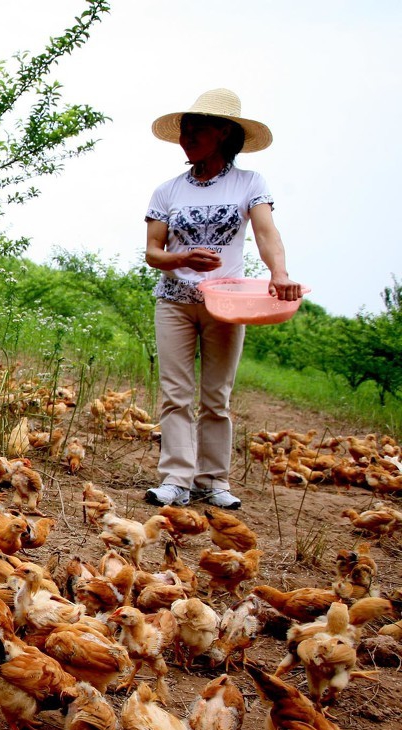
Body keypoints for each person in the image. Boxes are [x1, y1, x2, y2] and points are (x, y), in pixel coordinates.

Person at [143, 89, 301, 510]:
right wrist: (182, 257)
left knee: (217, 396)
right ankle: (176, 479)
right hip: (174, 301)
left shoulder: (250, 183)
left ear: (224, 134)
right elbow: (152, 252)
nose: (187, 137)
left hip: (227, 303)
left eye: (198, 130)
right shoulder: (167, 191)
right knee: (175, 392)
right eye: (184, 130)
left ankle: (212, 480)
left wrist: (279, 274)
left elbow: (267, 234)